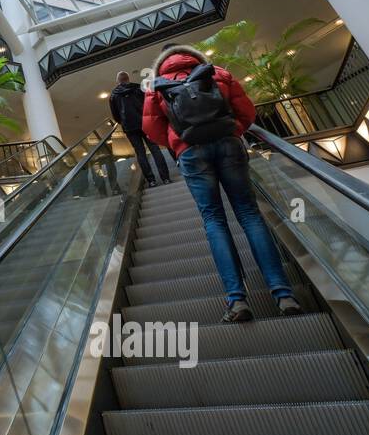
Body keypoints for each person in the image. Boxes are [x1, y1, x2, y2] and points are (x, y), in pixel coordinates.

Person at [142, 44, 302, 323]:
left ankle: (237, 300)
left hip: (191, 152)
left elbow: (152, 130)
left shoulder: (158, 86)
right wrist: (232, 132)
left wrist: (179, 143)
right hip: (229, 145)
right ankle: (283, 294)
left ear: (162, 62)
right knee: (250, 215)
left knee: (214, 220)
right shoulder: (216, 73)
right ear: (192, 56)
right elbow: (246, 111)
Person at [108, 71, 171, 188]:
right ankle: (165, 178)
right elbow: (148, 105)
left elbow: (115, 115)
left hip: (130, 127)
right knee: (155, 149)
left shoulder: (113, 95)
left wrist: (123, 122)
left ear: (118, 81)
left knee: (140, 153)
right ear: (128, 78)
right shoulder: (138, 88)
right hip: (145, 123)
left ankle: (151, 180)